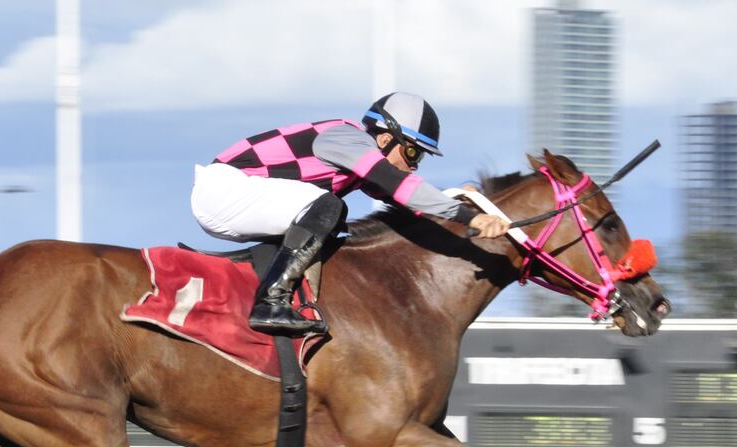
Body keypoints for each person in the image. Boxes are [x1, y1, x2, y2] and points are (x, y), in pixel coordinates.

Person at [190, 91, 512, 336]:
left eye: (420, 159)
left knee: (329, 216)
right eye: (412, 152)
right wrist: (469, 218)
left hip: (234, 196)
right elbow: (403, 187)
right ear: (386, 137)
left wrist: (453, 197)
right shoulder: (351, 140)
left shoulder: (357, 161)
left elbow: (409, 201)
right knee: (328, 207)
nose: (414, 164)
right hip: (224, 192)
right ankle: (270, 302)